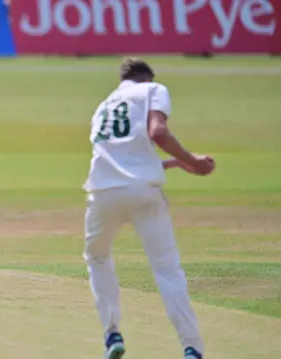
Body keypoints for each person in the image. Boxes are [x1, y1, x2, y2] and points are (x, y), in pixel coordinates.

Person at [82, 57, 215, 359]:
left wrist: (176, 163)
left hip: (102, 193)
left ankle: (112, 333)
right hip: (144, 193)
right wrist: (193, 162)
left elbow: (122, 157)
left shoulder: (103, 106)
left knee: (98, 257)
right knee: (167, 270)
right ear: (147, 78)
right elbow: (158, 133)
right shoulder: (153, 90)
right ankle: (191, 348)